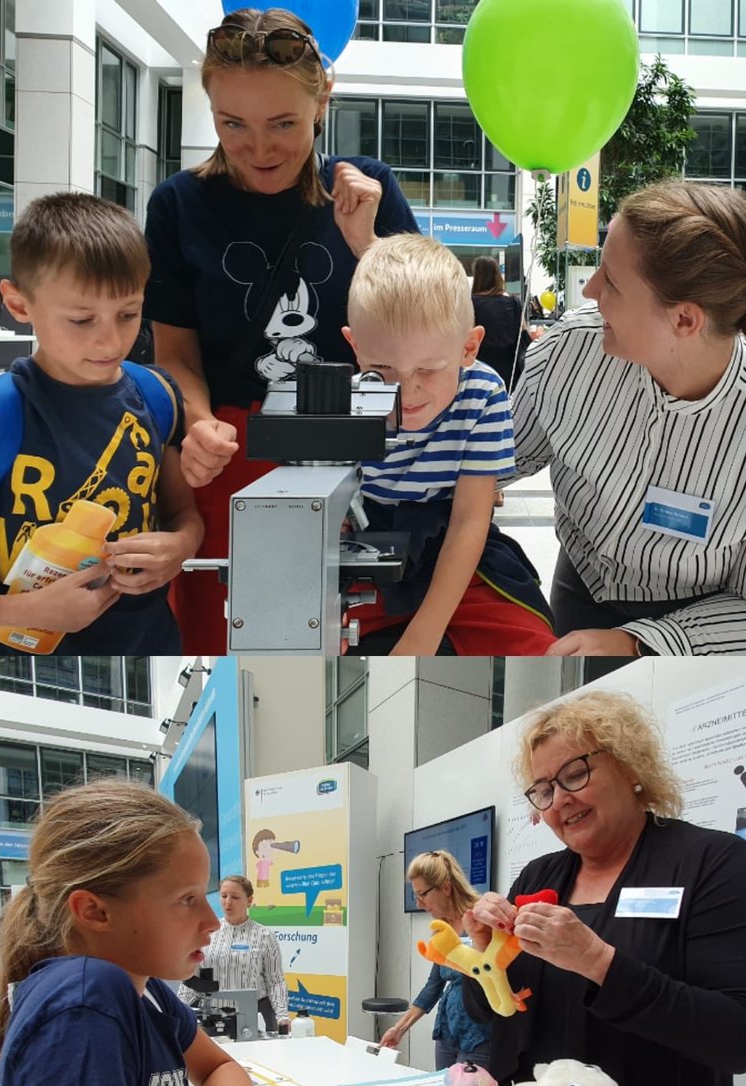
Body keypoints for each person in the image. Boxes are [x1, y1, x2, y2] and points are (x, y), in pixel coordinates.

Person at [144, 6, 419, 653]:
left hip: (349, 446)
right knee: (223, 639)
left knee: (340, 638)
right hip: (225, 451)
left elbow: (421, 335)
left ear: (323, 100)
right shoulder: (178, 205)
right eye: (232, 123)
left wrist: (369, 242)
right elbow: (175, 352)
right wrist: (200, 421)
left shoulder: (367, 191)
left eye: (283, 124)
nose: (259, 148)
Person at [0, 781, 335, 1086]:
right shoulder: (85, 1006)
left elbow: (214, 1067)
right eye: (187, 899)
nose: (211, 920)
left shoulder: (146, 989)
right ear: (95, 911)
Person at [462, 691, 746, 1086]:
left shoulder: (709, 861)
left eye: (575, 774)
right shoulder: (539, 875)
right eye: (543, 790)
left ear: (630, 764)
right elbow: (489, 1011)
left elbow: (740, 1039)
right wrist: (483, 956)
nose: (559, 800)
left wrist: (597, 962)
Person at [511, 180, 746, 655]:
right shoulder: (567, 354)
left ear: (684, 319)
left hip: (708, 625)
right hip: (579, 587)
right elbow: (494, 460)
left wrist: (638, 643)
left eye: (613, 282)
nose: (591, 290)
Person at [0, 192, 203, 653]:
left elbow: (184, 515)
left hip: (152, 644)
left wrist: (180, 548)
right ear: (19, 304)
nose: (111, 339)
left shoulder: (158, 396)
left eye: (129, 314)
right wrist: (23, 611)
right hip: (22, 662)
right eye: (82, 319)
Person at [340, 235, 556, 654]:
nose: (406, 390)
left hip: (456, 539)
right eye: (380, 369)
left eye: (429, 368)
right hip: (367, 541)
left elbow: (470, 520)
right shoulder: (345, 401)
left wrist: (424, 634)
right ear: (355, 347)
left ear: (468, 347)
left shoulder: (483, 392)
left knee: (533, 643)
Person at [379, 850, 491, 1070]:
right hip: (448, 1032)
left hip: (481, 1036)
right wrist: (399, 1029)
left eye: (423, 895)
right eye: (416, 896)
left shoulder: (482, 918)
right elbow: (433, 987)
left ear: (446, 888)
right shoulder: (443, 929)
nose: (419, 904)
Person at [176, 874, 290, 1030]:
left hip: (255, 1015)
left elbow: (275, 980)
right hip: (211, 1016)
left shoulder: (265, 936)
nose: (228, 902)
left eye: (235, 897)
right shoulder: (207, 932)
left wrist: (282, 1016)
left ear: (249, 900)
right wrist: (178, 1010)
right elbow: (190, 976)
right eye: (223, 896)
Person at [470, 256, 527, 391]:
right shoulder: (514, 302)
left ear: (477, 276)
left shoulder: (470, 303)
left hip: (479, 370)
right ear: (497, 276)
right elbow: (523, 334)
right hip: (510, 372)